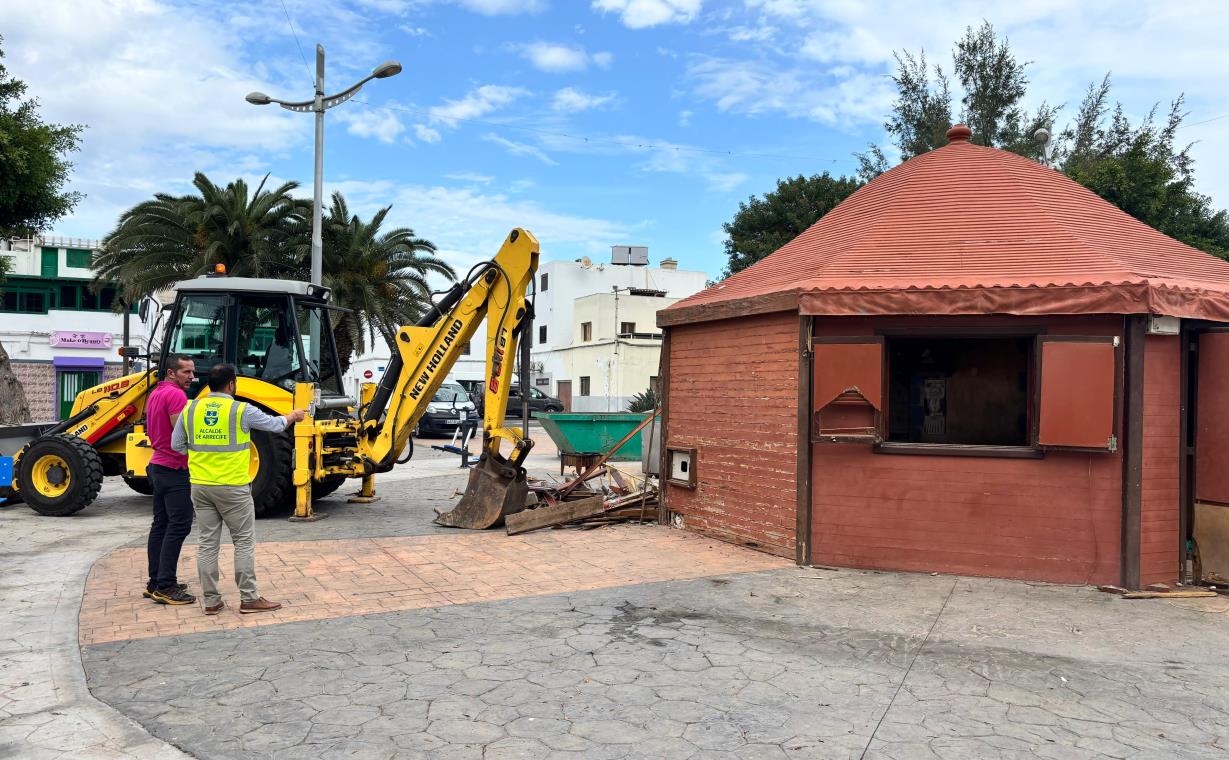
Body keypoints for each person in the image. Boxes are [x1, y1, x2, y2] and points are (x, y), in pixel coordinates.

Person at [171, 363, 306, 615]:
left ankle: (211, 602)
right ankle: (249, 598)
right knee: (243, 542)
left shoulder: (190, 409)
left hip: (200, 486)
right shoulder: (240, 410)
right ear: (232, 384)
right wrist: (293, 416)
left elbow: (177, 445)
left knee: (207, 544)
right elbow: (275, 425)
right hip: (233, 487)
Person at [143, 355, 197, 605]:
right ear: (171, 373)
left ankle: (155, 581)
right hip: (174, 467)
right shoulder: (176, 396)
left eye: (192, 372)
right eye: (186, 372)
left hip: (157, 464)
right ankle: (166, 585)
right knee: (179, 525)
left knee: (161, 524)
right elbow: (180, 433)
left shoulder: (156, 392)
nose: (191, 376)